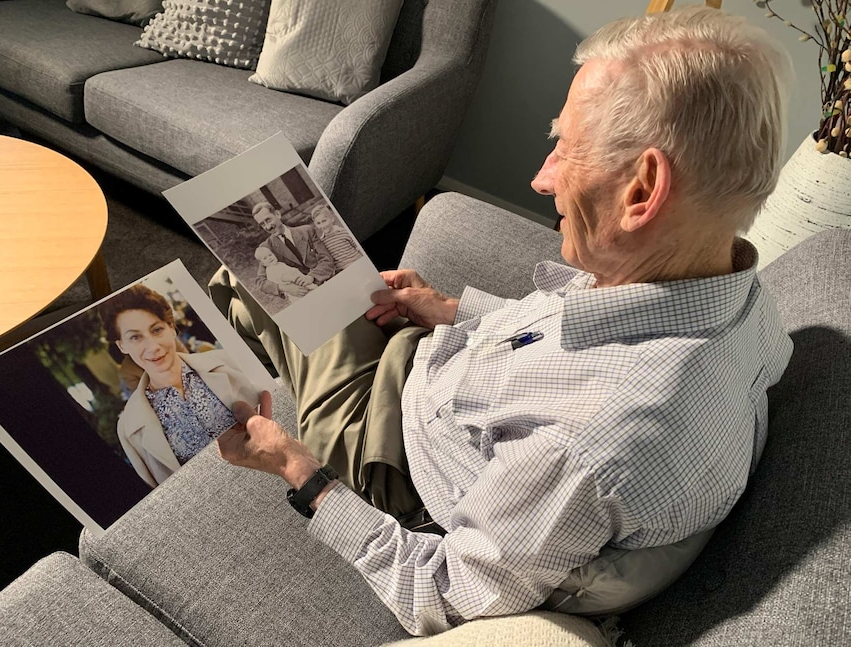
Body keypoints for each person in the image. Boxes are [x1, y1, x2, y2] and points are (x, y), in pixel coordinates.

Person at [209, 7, 794, 636]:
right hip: (438, 369)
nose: (541, 177)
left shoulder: (591, 446)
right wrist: (452, 311)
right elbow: (575, 335)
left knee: (245, 262)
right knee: (288, 252)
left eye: (566, 147)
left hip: (387, 451)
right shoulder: (732, 295)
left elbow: (438, 591)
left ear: (642, 190)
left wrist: (299, 472)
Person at [98, 284, 259, 487]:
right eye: (135, 337)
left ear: (171, 328)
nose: (152, 346)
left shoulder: (229, 361)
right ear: (122, 345)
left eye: (156, 330)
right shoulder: (128, 429)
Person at [251, 201, 334, 296]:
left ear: (277, 214)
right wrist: (285, 288)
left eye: (268, 220)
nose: (268, 227)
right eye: (262, 224)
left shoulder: (307, 231)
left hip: (324, 283)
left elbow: (326, 259)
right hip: (301, 295)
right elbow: (260, 282)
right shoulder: (266, 248)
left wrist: (311, 277)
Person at [310, 204, 363, 272]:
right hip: (344, 271)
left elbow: (358, 248)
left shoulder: (344, 232)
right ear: (315, 225)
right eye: (318, 223)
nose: (322, 226)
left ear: (332, 218)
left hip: (358, 263)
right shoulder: (322, 242)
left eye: (324, 221)